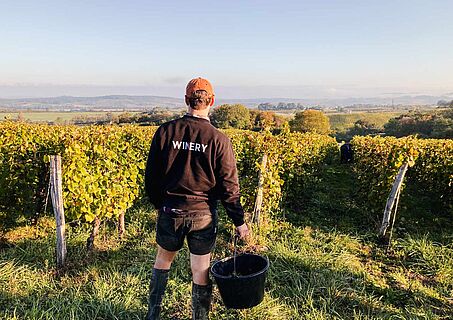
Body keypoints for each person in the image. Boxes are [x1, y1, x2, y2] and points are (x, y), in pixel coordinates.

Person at [144, 77, 250, 320]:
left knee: (162, 261)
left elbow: (151, 177)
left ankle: (153, 315)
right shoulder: (219, 139)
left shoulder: (165, 131)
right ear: (212, 101)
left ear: (186, 100)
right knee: (200, 270)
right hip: (203, 215)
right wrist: (239, 221)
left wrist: (161, 204)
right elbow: (229, 186)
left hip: (170, 211)